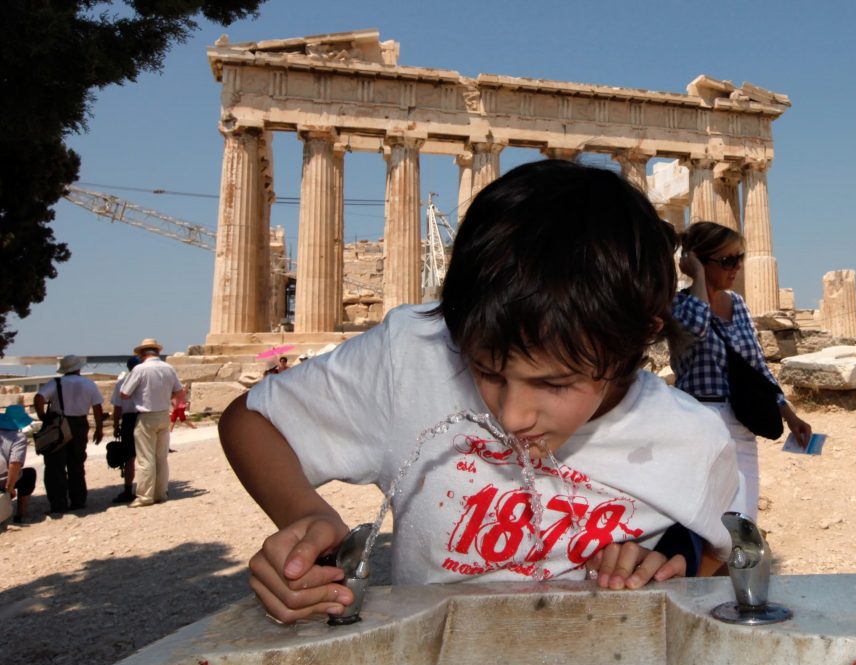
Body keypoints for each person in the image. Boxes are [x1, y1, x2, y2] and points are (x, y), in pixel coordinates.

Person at [220, 160, 743, 624]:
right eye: (485, 370)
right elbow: (251, 420)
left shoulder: (691, 438)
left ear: (641, 335)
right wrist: (306, 514)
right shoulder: (416, 355)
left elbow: (722, 553)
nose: (512, 414)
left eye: (554, 383)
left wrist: (672, 563)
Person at [672, 221, 811, 520]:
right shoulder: (678, 305)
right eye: (727, 261)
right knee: (707, 523)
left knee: (744, 523)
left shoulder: (739, 304)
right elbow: (695, 328)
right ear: (698, 260)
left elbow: (757, 366)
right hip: (699, 422)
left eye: (740, 258)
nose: (736, 267)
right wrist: (697, 276)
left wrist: (790, 415)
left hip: (742, 421)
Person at [33, 355, 104, 514]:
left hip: (59, 424)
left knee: (55, 466)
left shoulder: (56, 383)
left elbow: (38, 397)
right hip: (79, 425)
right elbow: (97, 408)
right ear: (78, 368)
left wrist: (42, 415)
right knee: (77, 463)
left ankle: (58, 504)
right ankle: (78, 500)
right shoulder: (89, 384)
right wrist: (99, 429)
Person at [119, 339, 185, 508]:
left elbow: (124, 394)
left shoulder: (140, 369)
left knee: (145, 458)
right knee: (161, 457)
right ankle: (161, 493)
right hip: (164, 414)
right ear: (156, 352)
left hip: (146, 416)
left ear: (142, 354)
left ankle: (145, 496)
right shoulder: (168, 368)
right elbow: (178, 391)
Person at [110, 356, 142, 504]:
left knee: (129, 458)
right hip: (144, 417)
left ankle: (128, 490)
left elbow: (117, 407)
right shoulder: (146, 381)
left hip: (128, 420)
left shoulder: (121, 383)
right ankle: (151, 488)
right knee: (149, 456)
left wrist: (116, 425)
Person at [1, 405, 36, 524]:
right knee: (29, 474)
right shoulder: (18, 438)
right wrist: (9, 489)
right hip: (2, 480)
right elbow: (14, 464)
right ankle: (22, 515)